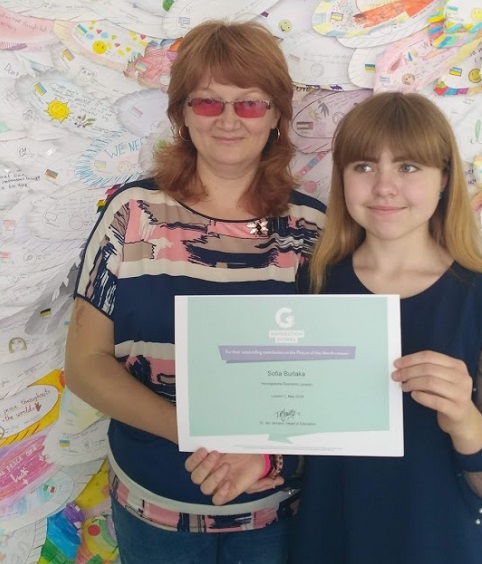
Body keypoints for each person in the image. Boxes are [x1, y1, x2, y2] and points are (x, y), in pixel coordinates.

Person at [64, 20, 325, 564]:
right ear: (181, 113)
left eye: (250, 103)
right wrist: (194, 430)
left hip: (275, 514)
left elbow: (332, 379)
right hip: (152, 508)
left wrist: (264, 455)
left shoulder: (314, 229)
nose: (229, 119)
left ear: (276, 115)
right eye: (207, 101)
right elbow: (85, 365)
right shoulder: (132, 214)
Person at [288, 92, 482, 563]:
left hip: (438, 547)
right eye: (364, 166)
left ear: (444, 178)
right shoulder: (313, 284)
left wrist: (464, 419)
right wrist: (256, 456)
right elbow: (297, 436)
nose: (384, 187)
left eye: (408, 167)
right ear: (342, 178)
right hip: (331, 540)